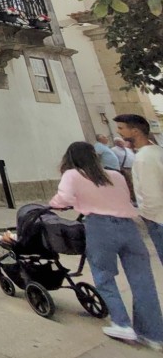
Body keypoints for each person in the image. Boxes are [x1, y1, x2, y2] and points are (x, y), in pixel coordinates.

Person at [49, 141, 163, 348]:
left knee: (104, 276)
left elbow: (63, 198)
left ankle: (121, 323)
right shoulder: (116, 175)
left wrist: (55, 204)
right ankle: (153, 334)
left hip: (100, 227)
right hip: (129, 228)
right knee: (143, 281)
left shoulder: (73, 175)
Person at [115, 114, 163, 264]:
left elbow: (151, 193)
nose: (118, 132)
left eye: (121, 128)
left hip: (158, 218)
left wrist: (146, 215)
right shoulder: (157, 151)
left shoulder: (143, 158)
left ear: (135, 131)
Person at [111, 136, 137, 202]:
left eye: (122, 141)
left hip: (133, 167)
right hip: (125, 168)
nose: (121, 143)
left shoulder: (127, 149)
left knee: (136, 181)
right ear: (116, 143)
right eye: (119, 142)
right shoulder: (114, 150)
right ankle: (133, 197)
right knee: (130, 183)